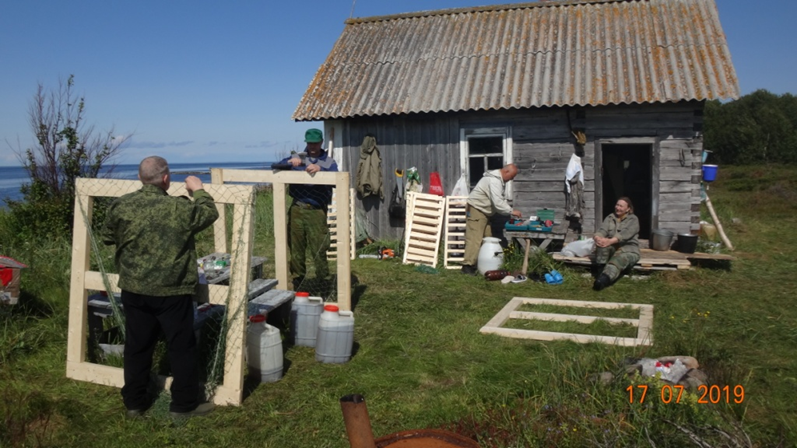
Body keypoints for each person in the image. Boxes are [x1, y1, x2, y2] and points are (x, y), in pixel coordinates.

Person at [101, 156, 218, 418]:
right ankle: (183, 405)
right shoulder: (179, 209)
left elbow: (108, 236)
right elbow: (209, 213)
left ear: (140, 177)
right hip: (171, 290)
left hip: (134, 288)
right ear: (166, 178)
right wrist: (198, 189)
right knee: (181, 346)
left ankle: (134, 402)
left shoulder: (122, 206)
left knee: (137, 346)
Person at [276, 129, 339, 289]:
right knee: (296, 246)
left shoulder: (328, 161)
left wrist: (321, 170)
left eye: (316, 143)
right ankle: (298, 280)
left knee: (319, 246)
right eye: (310, 143)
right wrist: (290, 163)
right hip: (297, 208)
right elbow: (275, 167)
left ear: (321, 142)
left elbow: (336, 178)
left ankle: (323, 280)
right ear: (306, 142)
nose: (312, 146)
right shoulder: (298, 157)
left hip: (317, 210)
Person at [460, 164, 522, 275]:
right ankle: (467, 266)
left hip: (483, 211)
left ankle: (483, 264)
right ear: (506, 172)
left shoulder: (496, 180)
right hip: (476, 209)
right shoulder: (494, 181)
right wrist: (511, 211)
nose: (512, 179)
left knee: (488, 238)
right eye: (512, 176)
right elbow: (497, 203)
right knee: (475, 239)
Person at [592, 196, 640, 291]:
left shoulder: (633, 219)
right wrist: (598, 238)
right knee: (602, 246)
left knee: (619, 259)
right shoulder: (610, 217)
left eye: (621, 206)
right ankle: (599, 274)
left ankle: (604, 280)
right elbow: (602, 230)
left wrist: (609, 241)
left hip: (628, 249)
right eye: (617, 205)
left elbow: (625, 234)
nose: (617, 208)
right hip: (613, 247)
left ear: (628, 209)